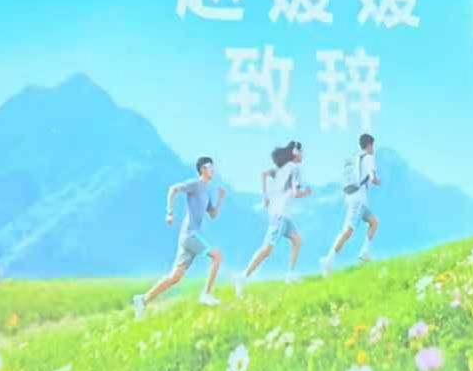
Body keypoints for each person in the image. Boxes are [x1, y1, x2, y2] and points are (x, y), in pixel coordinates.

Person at [134, 156, 228, 317]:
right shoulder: (195, 184)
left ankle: (143, 300)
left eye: (213, 166)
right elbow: (173, 189)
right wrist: (169, 213)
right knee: (217, 256)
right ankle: (206, 294)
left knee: (175, 277)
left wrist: (220, 199)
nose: (213, 169)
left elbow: (212, 214)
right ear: (202, 169)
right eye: (209, 166)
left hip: (189, 237)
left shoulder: (207, 192)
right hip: (191, 234)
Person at [235, 140, 310, 294]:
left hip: (283, 215)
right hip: (280, 215)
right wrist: (306, 192)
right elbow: (295, 193)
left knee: (297, 240)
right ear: (295, 153)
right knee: (267, 249)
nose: (303, 155)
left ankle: (290, 275)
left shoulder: (281, 168)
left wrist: (265, 197)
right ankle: (243, 277)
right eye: (301, 152)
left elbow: (263, 174)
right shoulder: (294, 168)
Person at [321, 133, 381, 276]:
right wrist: (377, 180)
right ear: (370, 145)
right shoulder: (368, 157)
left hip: (353, 198)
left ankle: (365, 252)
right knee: (348, 230)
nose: (373, 149)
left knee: (374, 222)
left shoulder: (356, 158)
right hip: (358, 200)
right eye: (372, 146)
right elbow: (372, 177)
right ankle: (329, 260)